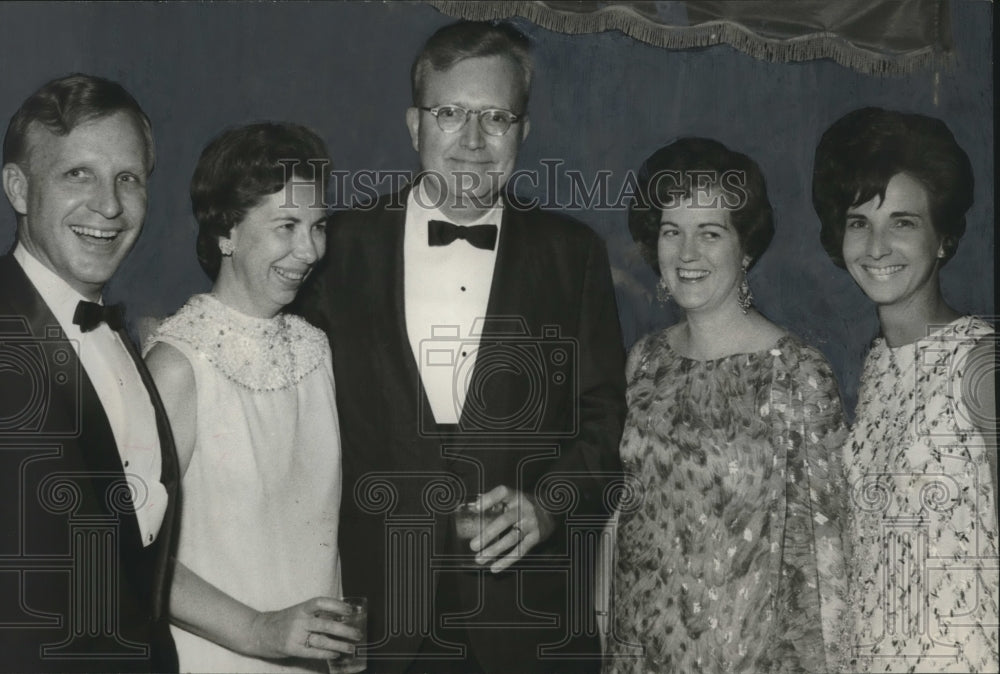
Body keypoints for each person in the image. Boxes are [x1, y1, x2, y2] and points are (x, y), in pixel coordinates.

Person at [293, 20, 626, 674]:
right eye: (451, 113)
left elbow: (606, 417)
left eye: (496, 117)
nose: (473, 141)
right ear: (415, 125)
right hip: (377, 620)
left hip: (528, 624)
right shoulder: (336, 246)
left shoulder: (573, 254)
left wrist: (549, 505)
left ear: (523, 134)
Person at [604, 138, 850, 673]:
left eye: (709, 233)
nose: (687, 254)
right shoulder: (644, 363)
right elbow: (625, 521)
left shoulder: (797, 375)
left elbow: (826, 564)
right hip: (638, 654)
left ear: (745, 249)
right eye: (672, 232)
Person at [143, 123, 360, 673]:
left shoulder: (318, 351)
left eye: (318, 226)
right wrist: (258, 631)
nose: (309, 249)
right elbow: (131, 555)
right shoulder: (177, 365)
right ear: (226, 233)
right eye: (286, 225)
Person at [0, 74, 179, 672]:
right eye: (78, 173)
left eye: (128, 178)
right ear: (19, 188)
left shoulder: (125, 339)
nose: (108, 205)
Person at [812, 107, 998, 673]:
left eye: (903, 222)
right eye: (858, 221)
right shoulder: (875, 368)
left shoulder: (982, 361)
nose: (876, 245)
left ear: (943, 238)